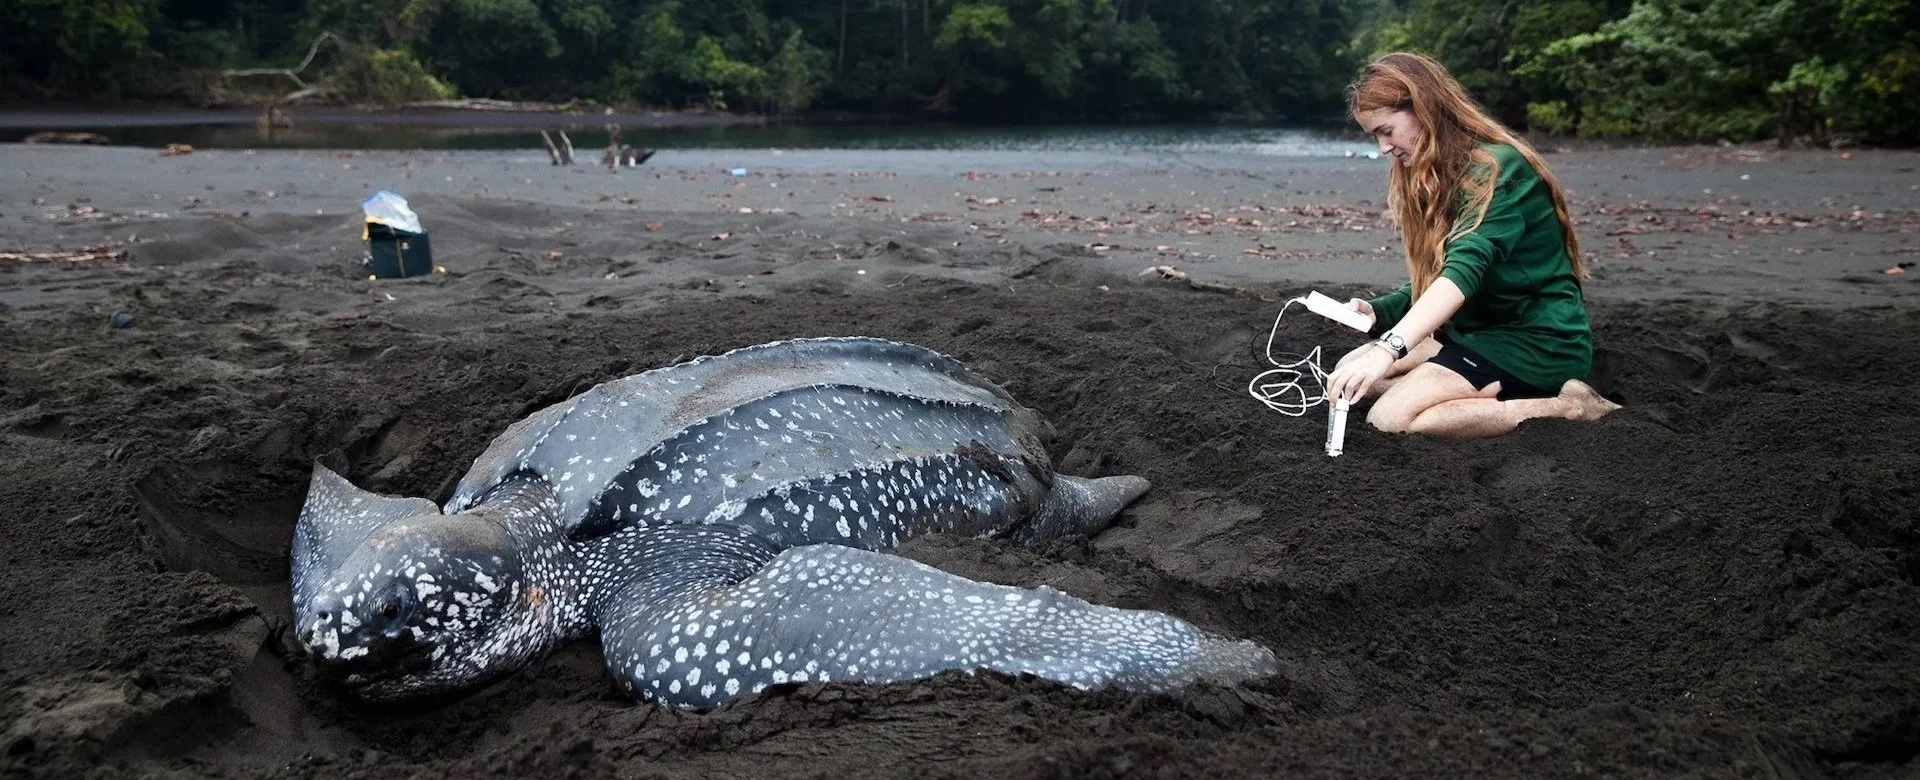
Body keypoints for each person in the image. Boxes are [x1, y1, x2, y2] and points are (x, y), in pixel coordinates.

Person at [1323, 51, 1621, 439]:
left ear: (1424, 109)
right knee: (1346, 379)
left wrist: (1388, 349)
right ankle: (1457, 393)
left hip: (1533, 341)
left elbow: (1462, 275)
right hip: (1475, 332)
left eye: (1387, 130)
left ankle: (1570, 406)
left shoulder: (1500, 170)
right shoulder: (1430, 173)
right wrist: (1378, 312)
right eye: (1375, 136)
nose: (1383, 148)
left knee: (1391, 420)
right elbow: (1439, 275)